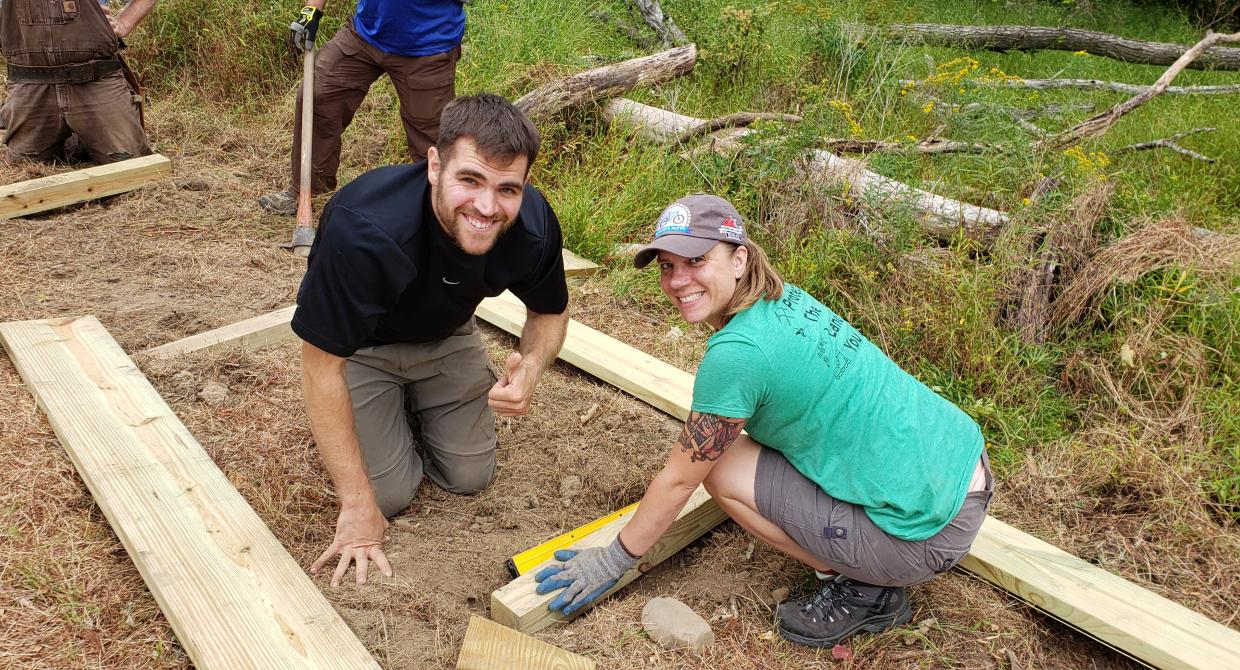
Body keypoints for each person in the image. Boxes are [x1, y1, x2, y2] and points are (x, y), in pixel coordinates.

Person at [534, 194, 993, 648]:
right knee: (736, 444)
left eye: (695, 261)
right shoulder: (783, 301)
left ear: (739, 259)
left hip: (924, 536)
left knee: (715, 465)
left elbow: (679, 480)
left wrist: (615, 559)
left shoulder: (738, 356)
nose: (677, 280)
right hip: (961, 470)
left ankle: (863, 589)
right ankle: (864, 559)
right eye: (667, 266)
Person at [293, 94, 569, 587]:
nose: (487, 206)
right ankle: (388, 416)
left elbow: (549, 311)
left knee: (471, 477)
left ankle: (415, 408)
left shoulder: (533, 225)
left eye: (508, 188)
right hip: (363, 348)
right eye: (470, 180)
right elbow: (320, 365)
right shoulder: (364, 229)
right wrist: (357, 507)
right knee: (389, 496)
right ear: (435, 165)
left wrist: (530, 365)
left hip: (445, 335)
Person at [258, 0, 464, 215]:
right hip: (365, 33)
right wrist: (312, 11)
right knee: (318, 94)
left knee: (430, 135)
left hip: (428, 46)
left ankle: (439, 210)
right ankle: (305, 191)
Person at [1, 0, 156, 163]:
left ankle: (86, 132)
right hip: (31, 85)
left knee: (128, 163)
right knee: (23, 163)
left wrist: (124, 23)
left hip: (96, 81)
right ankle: (75, 135)